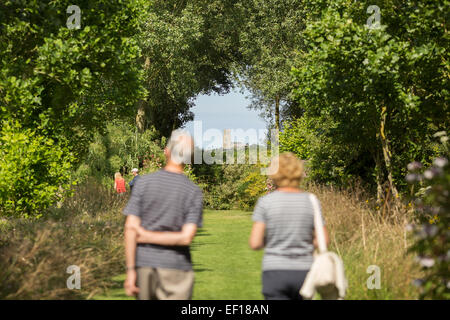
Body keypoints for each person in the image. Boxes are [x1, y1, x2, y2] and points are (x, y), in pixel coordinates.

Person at [123, 129, 203, 300]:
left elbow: (130, 228)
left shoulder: (143, 184)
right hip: (176, 268)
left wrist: (131, 270)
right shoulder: (193, 191)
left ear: (166, 152)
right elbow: (185, 237)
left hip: (144, 265)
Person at [249, 152, 330, 300]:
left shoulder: (265, 202)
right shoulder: (311, 201)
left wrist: (274, 240)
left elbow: (255, 243)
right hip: (305, 272)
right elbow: (323, 240)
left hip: (274, 272)